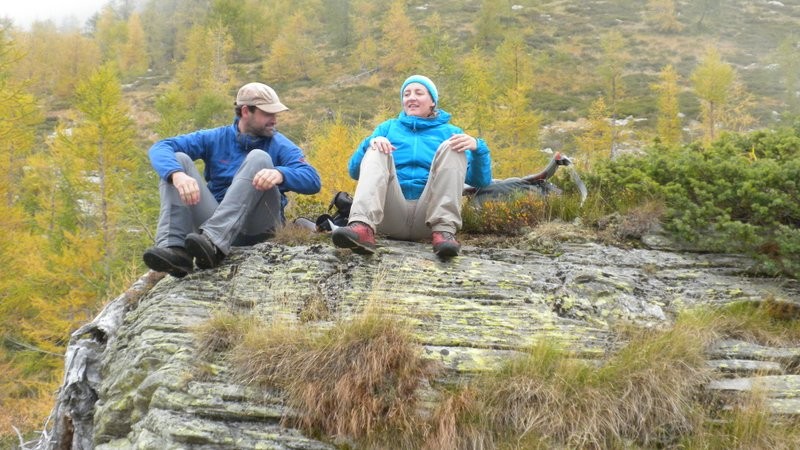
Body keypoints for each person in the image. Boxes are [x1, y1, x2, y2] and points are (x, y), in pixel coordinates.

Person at [142, 82, 321, 277]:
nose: (274, 120)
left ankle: (215, 243)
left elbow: (312, 180)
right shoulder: (216, 137)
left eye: (275, 114)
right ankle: (175, 252)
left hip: (258, 229)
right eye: (268, 114)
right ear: (245, 111)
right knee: (177, 161)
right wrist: (177, 175)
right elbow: (160, 147)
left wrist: (281, 174)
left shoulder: (280, 144)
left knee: (259, 157)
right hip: (212, 227)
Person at [332, 75, 492, 258]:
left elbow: (481, 181)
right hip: (388, 215)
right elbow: (354, 171)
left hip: (429, 220)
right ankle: (362, 227)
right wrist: (370, 142)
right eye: (406, 94)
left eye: (419, 93)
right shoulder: (388, 128)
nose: (411, 97)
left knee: (452, 146)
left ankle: (444, 232)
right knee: (377, 147)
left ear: (432, 101)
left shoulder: (452, 132)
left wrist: (478, 148)